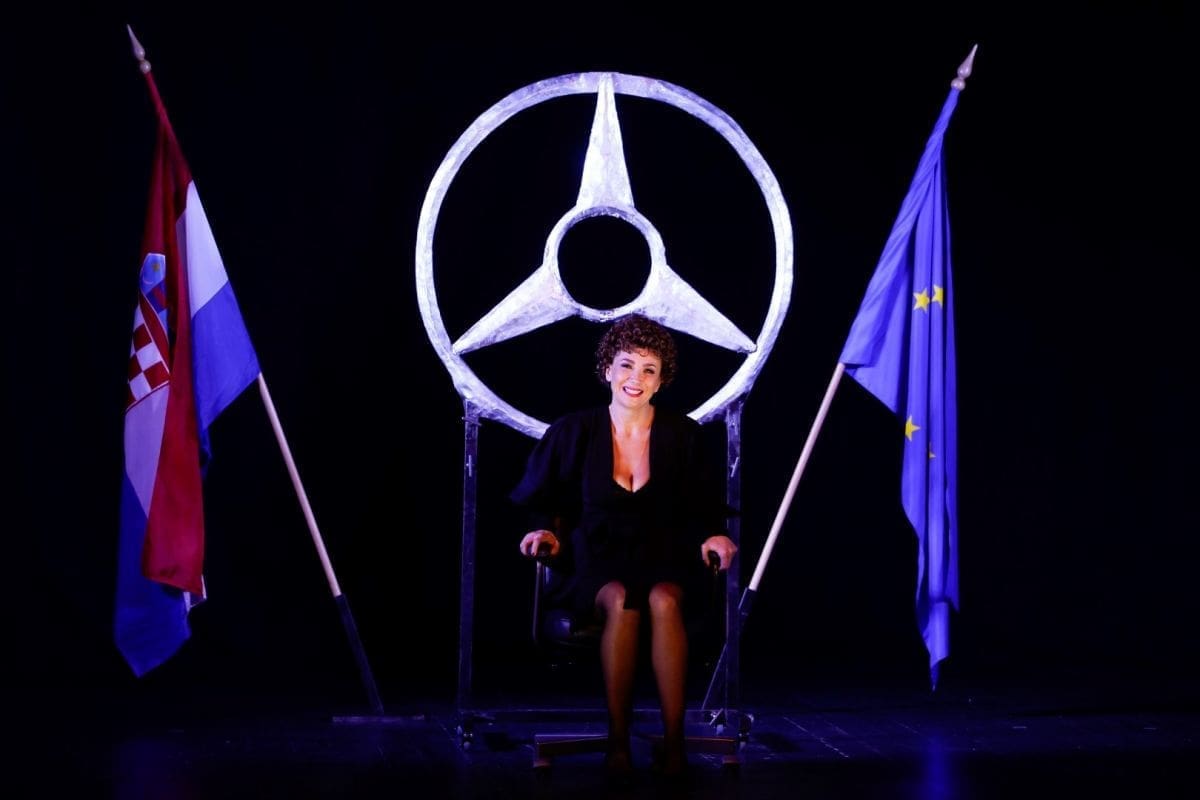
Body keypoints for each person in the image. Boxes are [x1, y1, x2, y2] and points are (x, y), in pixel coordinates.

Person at [512, 313, 738, 779]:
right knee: (621, 599)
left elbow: (704, 508)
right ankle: (617, 744)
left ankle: (674, 745)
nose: (636, 378)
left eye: (649, 369)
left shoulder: (683, 434)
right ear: (607, 370)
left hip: (666, 557)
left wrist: (715, 534)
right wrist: (543, 531)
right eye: (627, 365)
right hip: (596, 561)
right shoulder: (573, 430)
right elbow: (542, 500)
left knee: (662, 599)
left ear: (661, 380)